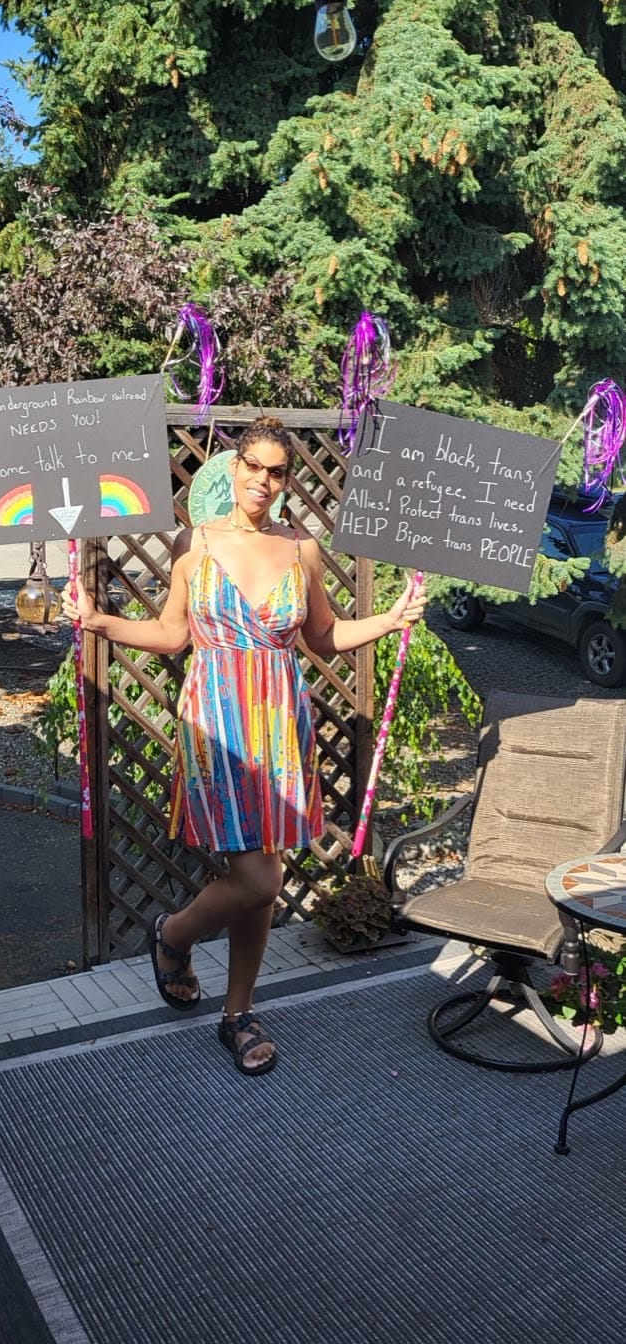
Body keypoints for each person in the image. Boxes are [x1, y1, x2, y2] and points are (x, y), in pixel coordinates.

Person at [62, 416, 426, 1077]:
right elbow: (174, 635)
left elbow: (323, 637)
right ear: (233, 470)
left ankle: (238, 1012)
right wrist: (99, 621)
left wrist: (390, 619)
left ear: (287, 480)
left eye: (276, 471)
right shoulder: (195, 543)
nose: (262, 480)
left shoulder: (301, 550)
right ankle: (172, 936)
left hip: (280, 726)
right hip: (216, 726)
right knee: (258, 878)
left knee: (262, 879)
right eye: (252, 466)